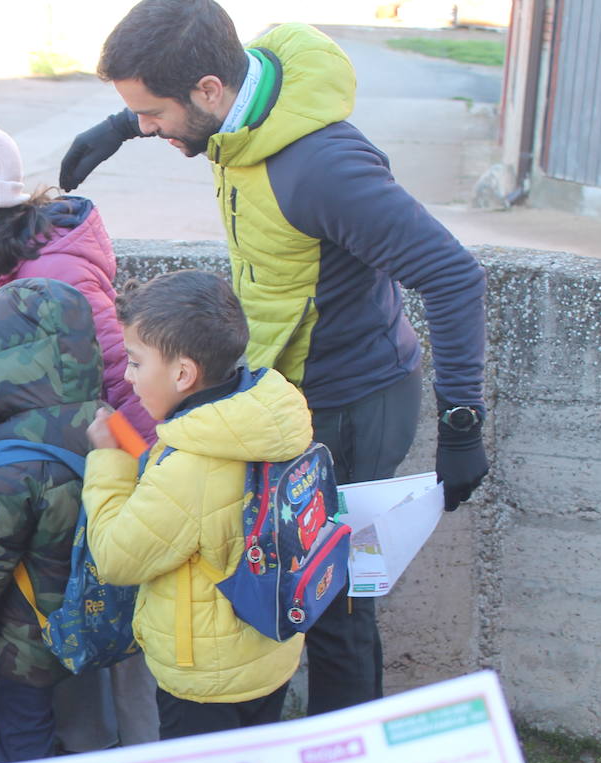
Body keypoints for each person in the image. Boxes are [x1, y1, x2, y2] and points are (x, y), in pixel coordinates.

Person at [59, 0, 490, 715]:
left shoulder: (322, 168)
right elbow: (190, 84)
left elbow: (452, 275)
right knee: (282, 575)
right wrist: (123, 125)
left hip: (350, 402)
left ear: (207, 92)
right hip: (284, 386)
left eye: (154, 113)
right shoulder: (234, 100)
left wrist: (463, 421)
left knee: (333, 600)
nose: (151, 128)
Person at [0, 116, 160, 752]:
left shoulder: (53, 279)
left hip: (110, 485)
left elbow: (120, 385)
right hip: (80, 476)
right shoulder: (17, 259)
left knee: (115, 652)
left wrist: (150, 477)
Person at [83, 270, 312, 736]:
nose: (127, 378)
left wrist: (109, 461)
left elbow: (115, 558)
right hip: (272, 652)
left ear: (183, 373)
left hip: (206, 678)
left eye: (135, 362)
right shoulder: (267, 417)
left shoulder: (191, 466)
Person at [0, 276, 107, 763]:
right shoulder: (107, 422)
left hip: (18, 649)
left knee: (18, 735)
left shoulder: (6, 465)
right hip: (90, 622)